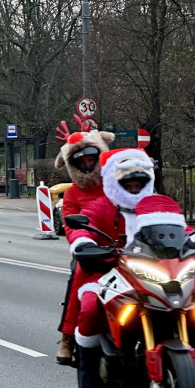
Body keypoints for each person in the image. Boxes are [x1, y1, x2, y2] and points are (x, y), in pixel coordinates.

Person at [66, 147, 156, 388]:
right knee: (89, 304)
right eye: (129, 183)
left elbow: (179, 227)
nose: (135, 188)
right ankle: (90, 373)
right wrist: (84, 241)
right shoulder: (101, 206)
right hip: (106, 271)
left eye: (140, 183)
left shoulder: (156, 206)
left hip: (150, 275)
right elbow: (83, 224)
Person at [53, 122, 115, 365]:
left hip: (124, 249)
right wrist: (81, 244)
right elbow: (70, 225)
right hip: (91, 251)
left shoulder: (114, 183)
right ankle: (68, 336)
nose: (88, 164)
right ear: (74, 164)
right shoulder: (72, 194)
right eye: (82, 161)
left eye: (92, 158)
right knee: (77, 277)